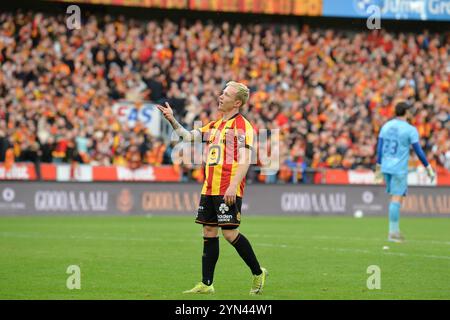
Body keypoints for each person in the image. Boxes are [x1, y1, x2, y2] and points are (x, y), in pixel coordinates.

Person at [157, 81, 268, 295]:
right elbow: (188, 137)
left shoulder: (244, 127)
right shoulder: (215, 125)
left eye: (226, 94)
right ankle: (206, 284)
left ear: (236, 102)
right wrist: (172, 119)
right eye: (222, 93)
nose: (221, 96)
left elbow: (246, 159)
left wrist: (233, 186)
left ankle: (257, 272)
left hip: (227, 187)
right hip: (209, 188)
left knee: (229, 233)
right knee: (208, 231)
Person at [375, 102, 435, 243]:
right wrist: (428, 167)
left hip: (386, 167)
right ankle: (393, 233)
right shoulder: (410, 129)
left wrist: (378, 167)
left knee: (397, 197)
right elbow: (418, 151)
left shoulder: (386, 126)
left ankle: (394, 230)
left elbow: (379, 148)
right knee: (396, 198)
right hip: (399, 168)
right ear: (406, 112)